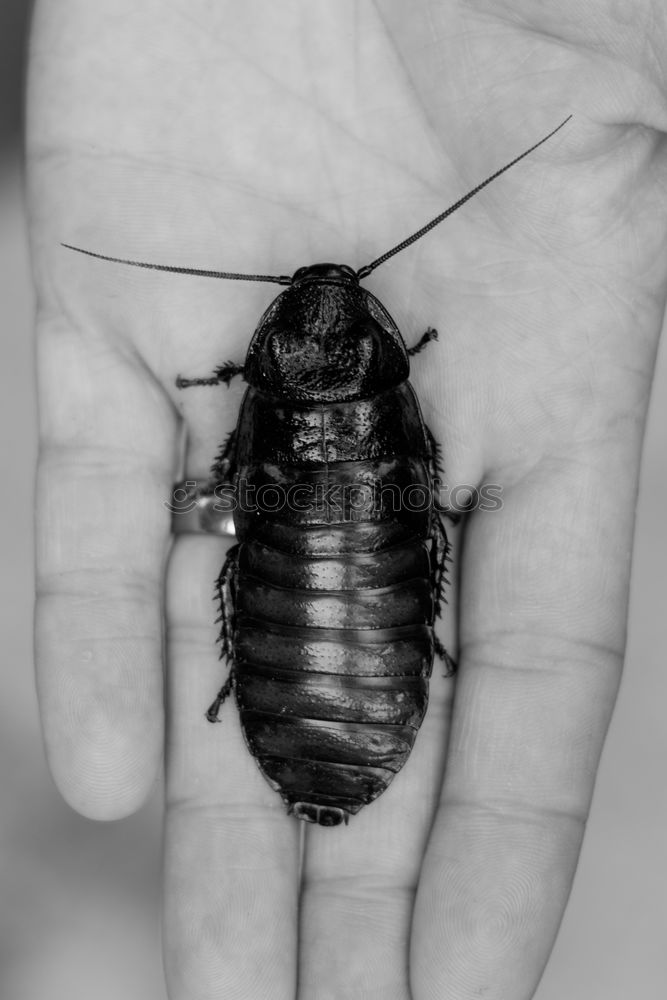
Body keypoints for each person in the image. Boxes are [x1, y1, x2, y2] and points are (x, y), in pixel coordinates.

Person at [26, 2, 666, 997]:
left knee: (260, 556)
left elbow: (244, 496)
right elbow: (421, 494)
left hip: (308, 610)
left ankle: (254, 688)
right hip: (369, 601)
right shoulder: (388, 396)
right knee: (360, 541)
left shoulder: (264, 405)